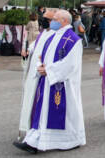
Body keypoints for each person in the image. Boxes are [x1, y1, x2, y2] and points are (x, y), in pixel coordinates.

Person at [14, 10, 85, 154]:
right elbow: (43, 55)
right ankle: (34, 141)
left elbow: (71, 64)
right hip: (47, 81)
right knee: (42, 111)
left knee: (66, 115)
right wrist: (40, 66)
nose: (52, 21)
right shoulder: (52, 36)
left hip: (63, 84)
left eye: (55, 19)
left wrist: (50, 71)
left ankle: (72, 140)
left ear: (64, 21)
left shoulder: (73, 40)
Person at [16, 9, 55, 143]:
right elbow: (34, 46)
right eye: (43, 18)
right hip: (33, 73)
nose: (44, 21)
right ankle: (29, 129)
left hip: (42, 74)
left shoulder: (55, 35)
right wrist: (27, 51)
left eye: (47, 19)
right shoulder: (42, 33)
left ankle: (37, 131)